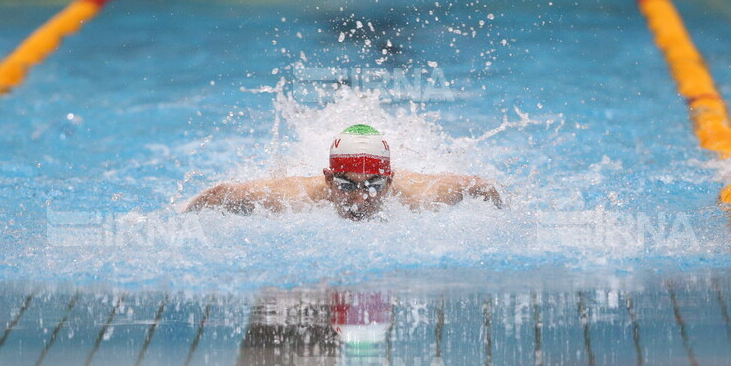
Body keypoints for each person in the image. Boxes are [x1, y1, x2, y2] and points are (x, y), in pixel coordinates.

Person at [183, 124, 503, 220]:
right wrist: (176, 217)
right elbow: (219, 193)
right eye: (347, 185)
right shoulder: (294, 198)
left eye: (374, 185)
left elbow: (484, 187)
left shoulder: (423, 197)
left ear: (390, 181)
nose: (361, 198)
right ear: (327, 179)